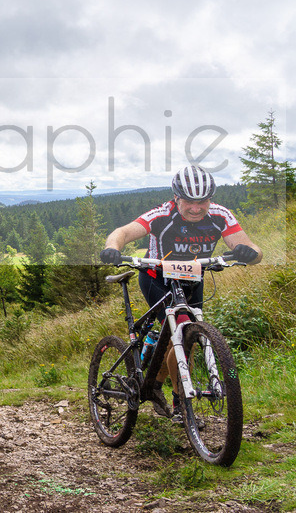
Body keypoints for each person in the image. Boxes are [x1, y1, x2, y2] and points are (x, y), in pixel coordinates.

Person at [100, 164, 262, 421]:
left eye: (202, 201)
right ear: (176, 198)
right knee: (182, 331)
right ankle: (181, 404)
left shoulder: (220, 215)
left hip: (193, 280)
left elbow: (252, 248)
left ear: (210, 199)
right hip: (157, 279)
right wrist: (113, 247)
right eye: (189, 201)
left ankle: (157, 378)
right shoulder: (162, 214)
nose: (196, 208)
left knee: (187, 336)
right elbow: (123, 232)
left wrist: (249, 252)